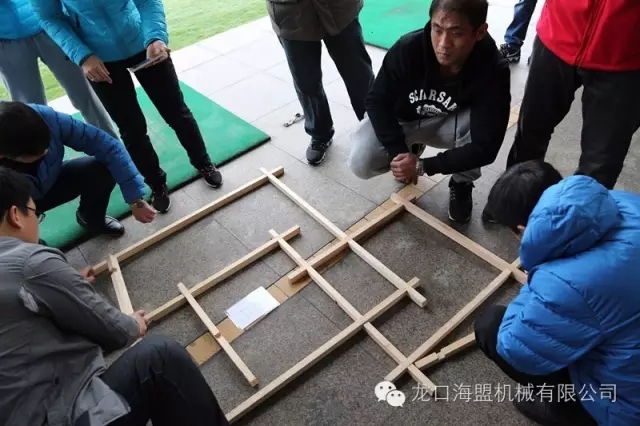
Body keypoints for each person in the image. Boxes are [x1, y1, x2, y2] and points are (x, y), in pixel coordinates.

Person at [0, 167, 231, 426]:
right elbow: (114, 331)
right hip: (54, 416)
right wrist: (133, 324)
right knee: (161, 357)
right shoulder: (30, 262)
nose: (36, 222)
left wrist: (65, 281)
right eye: (35, 214)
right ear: (15, 215)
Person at [475, 160, 640, 425]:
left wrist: (539, 262)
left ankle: (570, 413)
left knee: (490, 326)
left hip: (629, 405)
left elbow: (515, 347)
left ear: (521, 230)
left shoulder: (563, 286)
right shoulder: (624, 202)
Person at [30, 0, 223, 214]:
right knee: (132, 129)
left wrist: (155, 36)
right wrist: (82, 55)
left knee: (177, 112)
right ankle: (156, 184)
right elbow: (49, 16)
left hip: (143, 42)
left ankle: (203, 163)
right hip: (98, 59)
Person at [348, 0, 511, 224]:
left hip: (449, 121)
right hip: (404, 120)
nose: (443, 44)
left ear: (479, 32)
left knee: (479, 129)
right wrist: (399, 153)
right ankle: (412, 147)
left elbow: (487, 147)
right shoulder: (408, 49)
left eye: (456, 33)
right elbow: (376, 101)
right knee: (360, 162)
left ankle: (462, 181)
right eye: (437, 29)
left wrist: (423, 166)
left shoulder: (493, 67)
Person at [502, 0, 640, 191]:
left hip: (626, 56)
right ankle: (514, 201)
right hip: (557, 33)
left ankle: (580, 209)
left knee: (601, 163)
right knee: (529, 139)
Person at [0, 101, 156, 237]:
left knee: (99, 170)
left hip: (50, 181)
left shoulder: (47, 117)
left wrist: (135, 199)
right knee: (21, 244)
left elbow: (107, 146)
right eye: (37, 153)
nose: (46, 151)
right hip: (12, 202)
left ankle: (91, 219)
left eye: (46, 144)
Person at [267, 0, 375, 165]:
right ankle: (319, 133)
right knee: (306, 82)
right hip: (290, 14)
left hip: (339, 9)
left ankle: (376, 124)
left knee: (359, 73)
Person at [0, 0, 117, 138]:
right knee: (29, 109)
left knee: (84, 94)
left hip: (50, 26)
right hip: (6, 40)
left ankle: (110, 145)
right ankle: (43, 150)